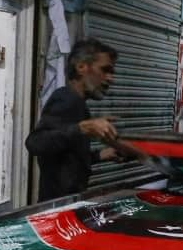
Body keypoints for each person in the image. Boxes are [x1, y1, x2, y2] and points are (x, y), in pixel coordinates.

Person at [25, 38, 120, 202]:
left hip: (67, 206)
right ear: (81, 67)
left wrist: (101, 155)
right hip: (55, 209)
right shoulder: (66, 99)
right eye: (105, 70)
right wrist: (81, 128)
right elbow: (35, 142)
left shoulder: (79, 105)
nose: (111, 79)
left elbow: (66, 158)